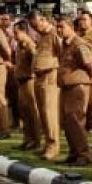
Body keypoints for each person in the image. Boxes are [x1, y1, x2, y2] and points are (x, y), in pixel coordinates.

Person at [57, 16, 92, 165]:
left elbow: (90, 64)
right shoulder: (65, 45)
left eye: (62, 27)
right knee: (67, 121)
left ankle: (83, 154)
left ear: (71, 27)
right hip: (67, 86)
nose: (59, 30)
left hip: (77, 86)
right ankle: (74, 152)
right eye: (58, 27)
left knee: (76, 120)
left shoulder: (79, 44)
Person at [28, 10, 63, 160]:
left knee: (50, 113)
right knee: (42, 112)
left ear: (43, 20)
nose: (35, 28)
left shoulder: (54, 34)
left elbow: (62, 54)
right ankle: (47, 143)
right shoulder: (41, 37)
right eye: (32, 26)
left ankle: (53, 146)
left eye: (36, 25)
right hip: (40, 77)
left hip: (50, 76)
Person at [11, 21, 41, 151]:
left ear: (24, 31)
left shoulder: (30, 46)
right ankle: (27, 138)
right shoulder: (19, 45)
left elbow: (34, 63)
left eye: (16, 32)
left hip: (29, 81)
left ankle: (35, 140)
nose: (14, 35)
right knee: (24, 111)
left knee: (32, 112)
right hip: (21, 81)